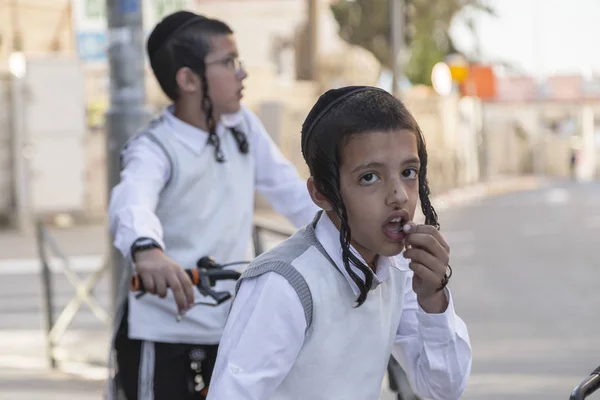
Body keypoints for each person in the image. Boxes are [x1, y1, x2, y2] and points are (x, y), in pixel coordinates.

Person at [207, 86, 472, 400]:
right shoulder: (285, 284)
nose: (399, 195)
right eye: (369, 177)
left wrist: (434, 299)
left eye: (408, 172)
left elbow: (443, 390)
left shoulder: (398, 270)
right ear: (322, 192)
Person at [105, 10, 319, 400]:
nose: (242, 74)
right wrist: (147, 250)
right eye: (229, 62)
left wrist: (349, 230)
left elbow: (292, 192)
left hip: (229, 327)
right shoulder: (155, 147)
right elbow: (132, 200)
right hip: (162, 331)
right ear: (188, 79)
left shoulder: (243, 128)